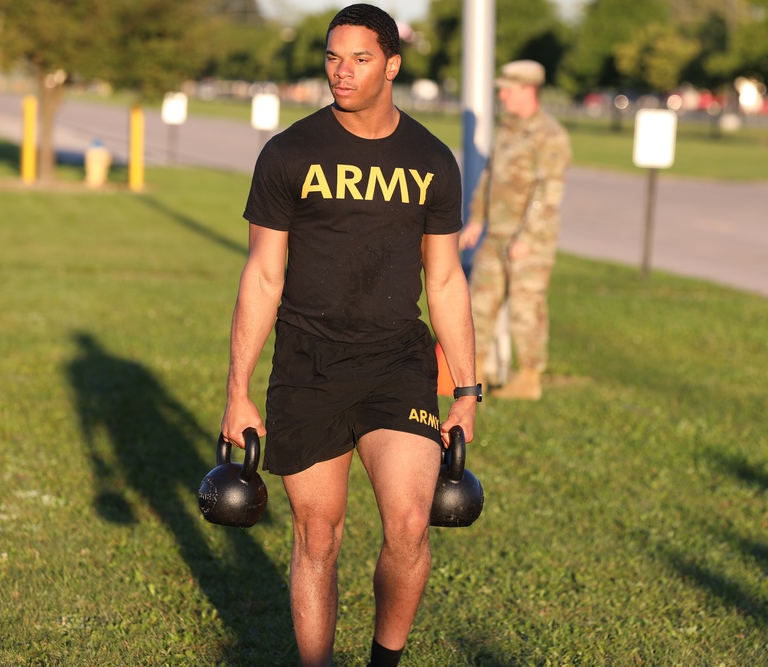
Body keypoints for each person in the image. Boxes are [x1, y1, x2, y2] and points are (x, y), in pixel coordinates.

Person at [220, 5, 479, 666]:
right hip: (308, 364)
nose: (342, 71)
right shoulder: (290, 153)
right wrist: (237, 392)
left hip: (397, 361)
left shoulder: (428, 159)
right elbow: (262, 274)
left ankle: (384, 661)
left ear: (392, 64)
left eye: (360, 58)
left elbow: (446, 279)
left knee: (410, 523)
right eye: (334, 57)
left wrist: (469, 388)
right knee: (317, 535)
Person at [458, 59, 573, 401]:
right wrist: (477, 218)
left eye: (508, 89)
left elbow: (548, 193)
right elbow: (491, 178)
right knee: (479, 304)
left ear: (527, 90)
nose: (502, 95)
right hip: (496, 234)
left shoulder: (550, 135)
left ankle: (528, 378)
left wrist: (526, 237)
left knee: (526, 309)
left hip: (530, 240)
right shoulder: (508, 129)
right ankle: (474, 374)